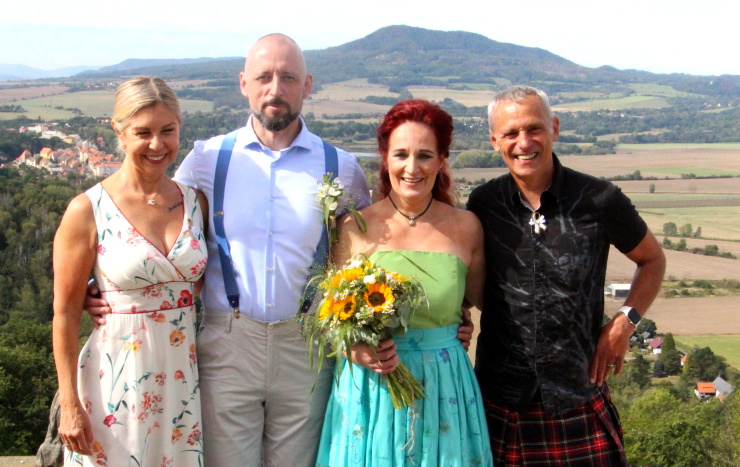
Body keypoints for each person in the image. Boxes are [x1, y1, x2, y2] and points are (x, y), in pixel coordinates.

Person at [86, 34, 371, 466]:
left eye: (288, 77)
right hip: (226, 343)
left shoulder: (342, 167)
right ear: (243, 83)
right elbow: (156, 218)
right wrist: (99, 285)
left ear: (308, 85)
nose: (275, 89)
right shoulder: (207, 158)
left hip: (308, 347)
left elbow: (370, 252)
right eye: (264, 77)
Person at [468, 85, 666, 466]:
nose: (523, 142)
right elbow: (466, 278)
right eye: (510, 133)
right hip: (500, 401)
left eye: (534, 128)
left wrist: (625, 322)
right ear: (494, 141)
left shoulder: (599, 199)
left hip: (578, 394)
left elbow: (653, 260)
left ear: (554, 128)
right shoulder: (483, 204)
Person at [316, 99, 493, 466]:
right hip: (372, 388)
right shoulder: (353, 227)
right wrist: (353, 351)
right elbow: (328, 317)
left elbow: (477, 300)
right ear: (385, 159)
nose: (412, 168)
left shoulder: (467, 227)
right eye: (401, 154)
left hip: (445, 385)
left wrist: (459, 322)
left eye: (425, 155)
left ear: (442, 160)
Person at [52, 76, 208, 466]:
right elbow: (65, 313)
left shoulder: (195, 202)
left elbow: (203, 283)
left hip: (181, 379)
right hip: (115, 379)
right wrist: (69, 403)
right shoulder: (88, 209)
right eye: (143, 132)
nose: (157, 144)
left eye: (167, 131)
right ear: (119, 131)